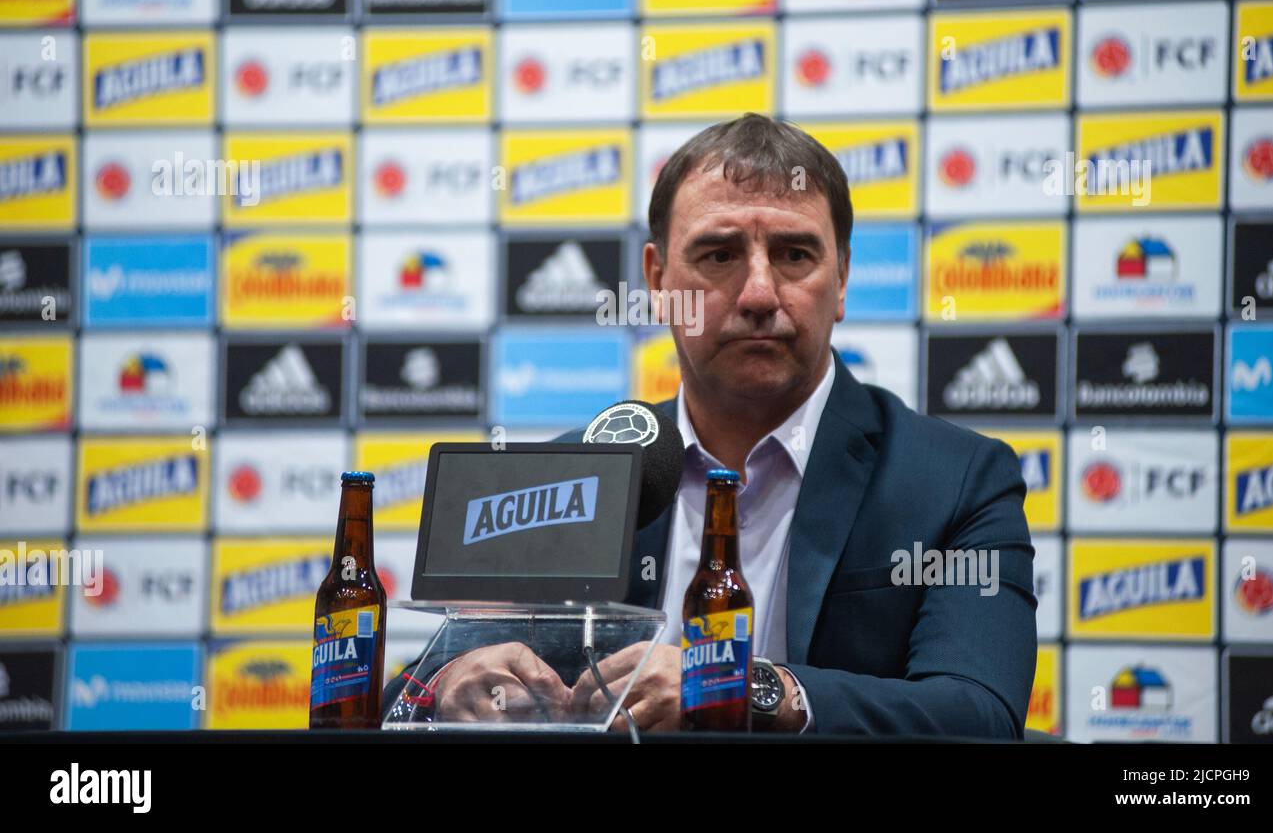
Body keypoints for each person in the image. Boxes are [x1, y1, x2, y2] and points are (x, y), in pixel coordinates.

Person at [384, 113, 1037, 736]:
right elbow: (401, 699)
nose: (757, 294)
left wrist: (744, 686)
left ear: (842, 280)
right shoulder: (574, 474)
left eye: (795, 254)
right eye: (719, 256)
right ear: (658, 281)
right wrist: (448, 687)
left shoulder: (955, 481)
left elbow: (979, 713)